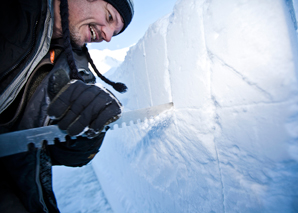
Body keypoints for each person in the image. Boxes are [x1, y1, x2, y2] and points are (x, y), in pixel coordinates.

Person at [0, 0, 134, 212]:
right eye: (109, 18)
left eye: (113, 33)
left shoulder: (79, 73)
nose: (107, 36)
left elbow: (61, 155)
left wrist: (89, 132)